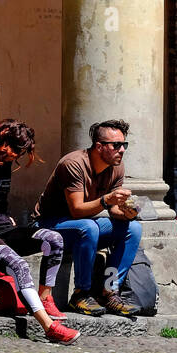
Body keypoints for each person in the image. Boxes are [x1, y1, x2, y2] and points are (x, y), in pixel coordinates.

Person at [0, 119, 78, 344]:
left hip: (1, 227)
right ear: (1, 139)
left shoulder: (5, 162)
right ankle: (49, 327)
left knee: (53, 239)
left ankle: (45, 297)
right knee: (19, 264)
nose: (14, 155)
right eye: (13, 148)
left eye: (19, 151)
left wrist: (7, 217)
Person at [35, 118, 142, 317]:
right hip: (49, 224)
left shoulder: (116, 166)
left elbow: (114, 211)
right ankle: (81, 294)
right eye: (116, 145)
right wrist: (106, 200)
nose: (122, 150)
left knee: (133, 229)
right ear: (99, 146)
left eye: (124, 144)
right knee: (88, 227)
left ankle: (109, 291)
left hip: (81, 226)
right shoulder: (73, 164)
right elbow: (76, 210)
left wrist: (128, 214)